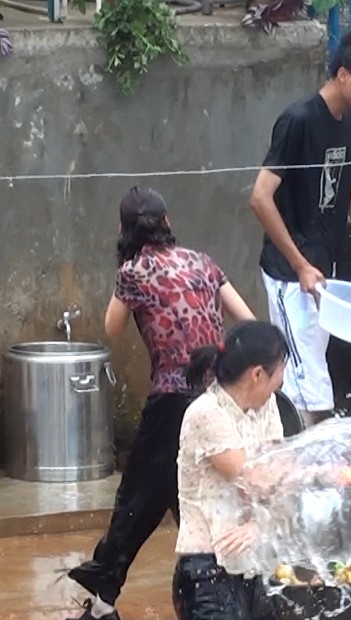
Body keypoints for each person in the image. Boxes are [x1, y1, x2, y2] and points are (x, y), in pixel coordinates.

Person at [66, 186, 255, 620]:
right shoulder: (203, 262)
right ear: (167, 222)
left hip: (172, 402)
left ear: (123, 229)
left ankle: (104, 599)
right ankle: (219, 590)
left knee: (137, 501)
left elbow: (111, 328)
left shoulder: (133, 272)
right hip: (219, 398)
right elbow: (246, 320)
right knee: (195, 495)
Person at [249, 32, 351, 426]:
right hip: (289, 271)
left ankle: (310, 452)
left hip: (323, 268)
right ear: (343, 75)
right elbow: (260, 198)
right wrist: (299, 265)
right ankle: (301, 454)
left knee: (313, 368)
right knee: (301, 377)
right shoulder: (298, 120)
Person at [173, 320, 287, 620]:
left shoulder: (267, 406)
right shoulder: (205, 413)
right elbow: (256, 480)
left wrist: (258, 526)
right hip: (207, 572)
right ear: (257, 374)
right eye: (280, 370)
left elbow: (278, 472)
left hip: (252, 564)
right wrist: (316, 472)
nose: (282, 380)